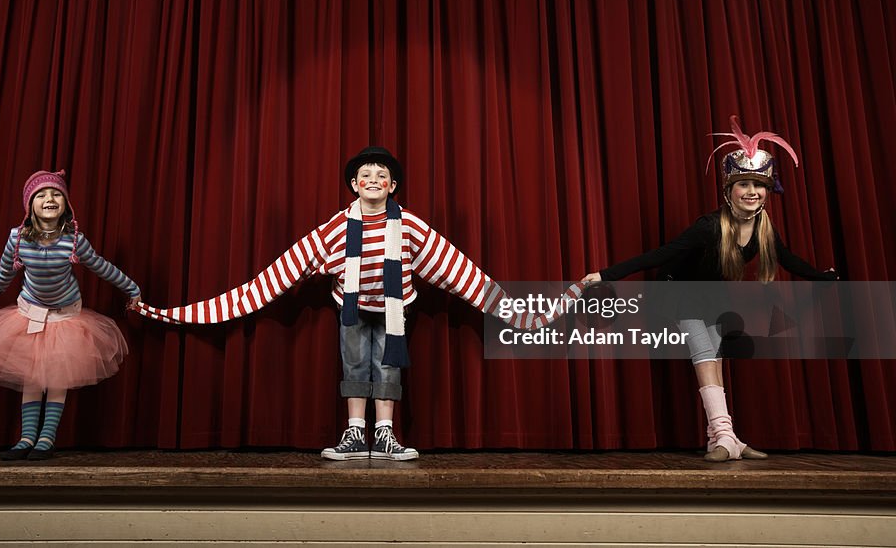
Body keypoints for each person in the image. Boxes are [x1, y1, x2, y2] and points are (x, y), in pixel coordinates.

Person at [136, 147, 559, 460]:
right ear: (354, 185)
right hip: (352, 310)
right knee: (356, 364)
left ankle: (386, 433)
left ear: (392, 186)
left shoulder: (408, 225)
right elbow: (276, 276)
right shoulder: (336, 228)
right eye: (365, 175)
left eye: (381, 175)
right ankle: (356, 432)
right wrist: (183, 312)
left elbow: (458, 271)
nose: (373, 179)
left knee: (388, 365)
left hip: (395, 311)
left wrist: (524, 315)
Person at [582, 117, 838, 461]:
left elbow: (789, 260)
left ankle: (723, 438)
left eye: (759, 185)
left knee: (714, 359)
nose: (752, 191)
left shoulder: (763, 228)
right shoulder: (708, 227)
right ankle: (724, 435)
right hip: (678, 292)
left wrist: (824, 278)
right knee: (705, 354)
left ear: (768, 191)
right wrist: (604, 274)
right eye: (743, 184)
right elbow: (660, 255)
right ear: (728, 190)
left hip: (710, 297)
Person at [0, 170, 141, 460]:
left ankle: (46, 438)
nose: (49, 199)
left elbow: (101, 266)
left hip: (65, 316)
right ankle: (26, 437)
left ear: (66, 204)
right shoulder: (17, 239)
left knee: (56, 378)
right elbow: (4, 273)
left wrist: (131, 288)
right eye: (41, 195)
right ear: (30, 206)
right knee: (31, 378)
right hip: (30, 312)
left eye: (56, 194)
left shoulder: (74, 240)